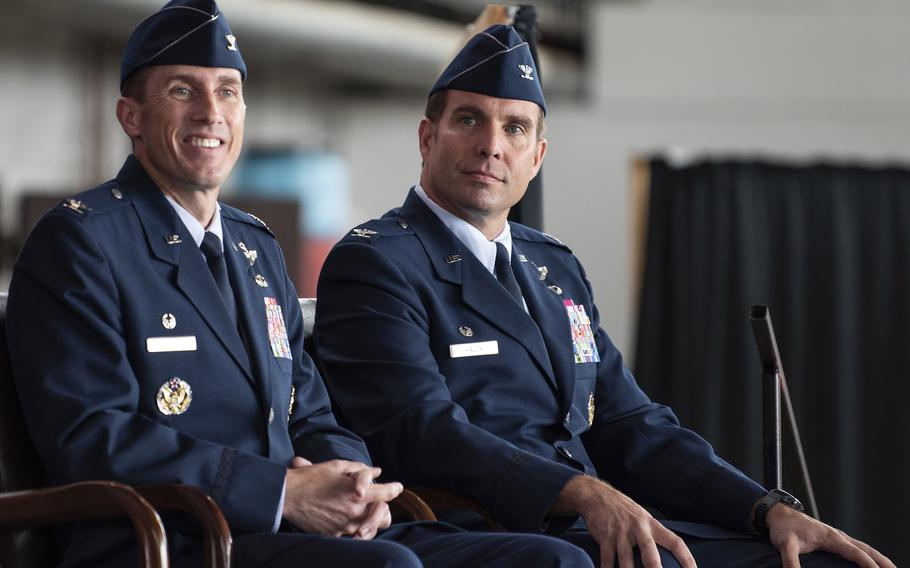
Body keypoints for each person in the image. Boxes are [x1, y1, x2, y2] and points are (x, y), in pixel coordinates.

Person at [5, 3, 594, 567]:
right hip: (173, 539)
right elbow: (94, 435)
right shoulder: (82, 242)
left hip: (288, 530)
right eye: (183, 90)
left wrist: (350, 479)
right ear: (130, 115)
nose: (211, 112)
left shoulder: (253, 246)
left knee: (549, 557)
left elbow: (308, 410)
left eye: (228, 92)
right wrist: (282, 493)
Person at [313, 24, 896, 568]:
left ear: (536, 157)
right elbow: (423, 432)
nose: (492, 145)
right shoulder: (377, 261)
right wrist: (580, 491)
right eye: (469, 120)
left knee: (811, 559)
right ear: (426, 136)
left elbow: (629, 423)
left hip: (592, 521)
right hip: (494, 526)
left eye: (515, 128)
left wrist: (766, 508)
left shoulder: (553, 267)